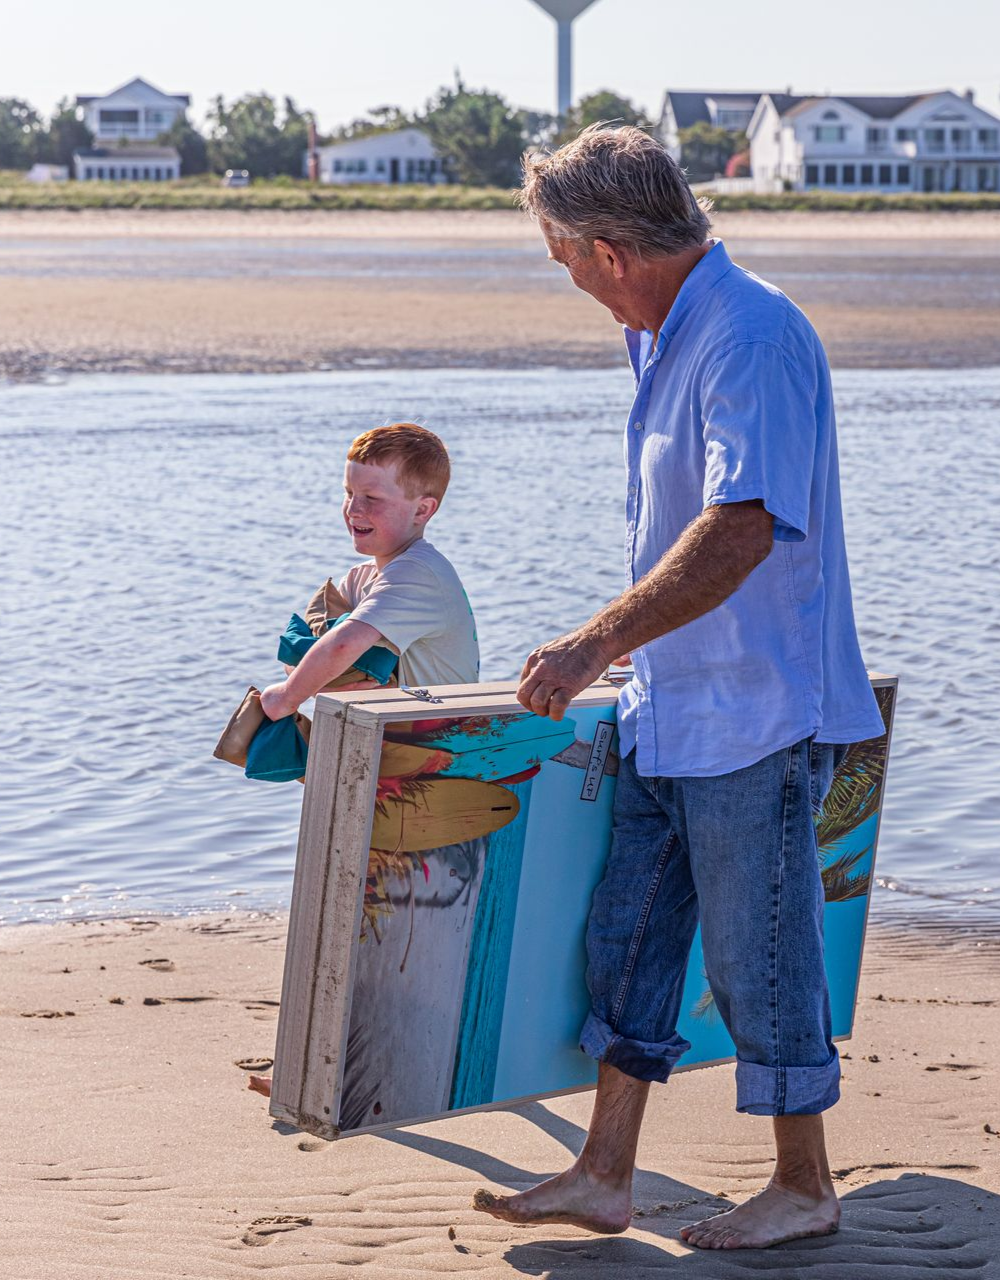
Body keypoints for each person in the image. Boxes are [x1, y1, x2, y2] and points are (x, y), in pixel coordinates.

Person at [471, 125, 885, 1250]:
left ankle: (804, 1183)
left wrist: (589, 642)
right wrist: (624, 657)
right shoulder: (658, 333)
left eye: (566, 264)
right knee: (630, 938)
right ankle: (605, 1171)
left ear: (608, 250)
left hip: (757, 708)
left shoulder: (748, 336)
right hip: (670, 704)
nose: (574, 287)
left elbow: (738, 530)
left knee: (763, 958)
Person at [249, 420, 480, 1098]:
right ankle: (311, 1062)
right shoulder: (372, 574)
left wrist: (285, 698)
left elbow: (342, 646)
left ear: (423, 508)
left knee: (373, 924)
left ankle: (353, 1072)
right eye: (349, 494)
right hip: (377, 772)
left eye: (373, 499)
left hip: (427, 779)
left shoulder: (418, 578)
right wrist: (320, 659)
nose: (354, 511)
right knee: (341, 915)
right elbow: (314, 627)